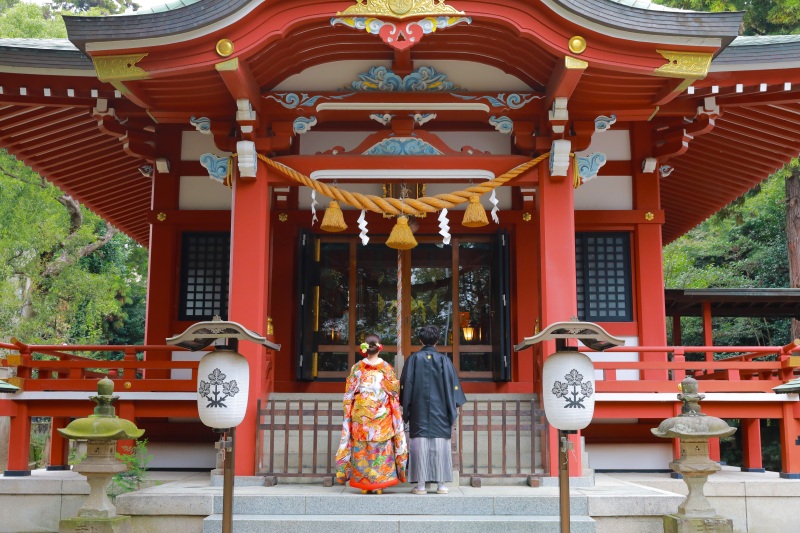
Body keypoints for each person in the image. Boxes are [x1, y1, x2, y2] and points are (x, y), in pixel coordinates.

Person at [335, 333, 408, 494]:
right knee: (381, 450)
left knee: (362, 450)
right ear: (379, 348)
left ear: (364, 349)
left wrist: (351, 412)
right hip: (382, 420)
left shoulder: (357, 369)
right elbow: (395, 395)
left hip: (360, 420)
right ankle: (380, 484)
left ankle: (363, 484)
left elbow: (348, 395)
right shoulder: (386, 369)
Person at [400, 325, 467, 494]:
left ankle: (421, 485)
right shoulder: (445, 360)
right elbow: (453, 386)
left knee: (419, 446)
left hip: (419, 410)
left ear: (421, 340)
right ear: (437, 341)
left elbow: (406, 385)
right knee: (440, 447)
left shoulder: (413, 359)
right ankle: (441, 485)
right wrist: (453, 406)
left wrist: (406, 407)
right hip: (441, 411)